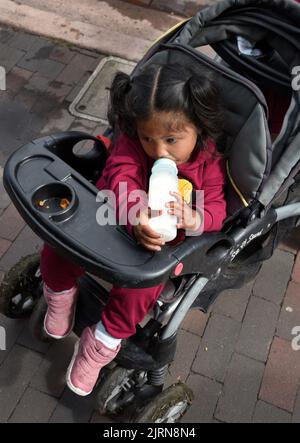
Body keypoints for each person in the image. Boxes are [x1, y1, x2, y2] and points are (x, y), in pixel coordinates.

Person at [40, 63, 227, 396]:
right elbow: (119, 177)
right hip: (110, 217)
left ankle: (101, 343)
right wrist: (134, 213)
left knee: (139, 292)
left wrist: (195, 218)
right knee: (59, 244)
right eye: (148, 138)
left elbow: (217, 210)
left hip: (158, 249)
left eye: (171, 140)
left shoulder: (208, 163)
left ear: (198, 129)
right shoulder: (131, 144)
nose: (158, 151)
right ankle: (59, 294)